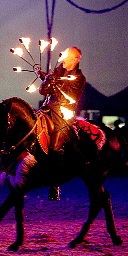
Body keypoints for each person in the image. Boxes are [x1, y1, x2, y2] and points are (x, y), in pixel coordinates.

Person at [37, 46, 86, 200]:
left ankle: (55, 183)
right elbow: (43, 92)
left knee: (55, 147)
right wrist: (45, 81)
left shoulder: (79, 78)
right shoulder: (57, 72)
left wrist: (53, 83)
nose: (63, 57)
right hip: (47, 108)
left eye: (67, 55)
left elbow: (69, 94)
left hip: (64, 113)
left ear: (76, 59)